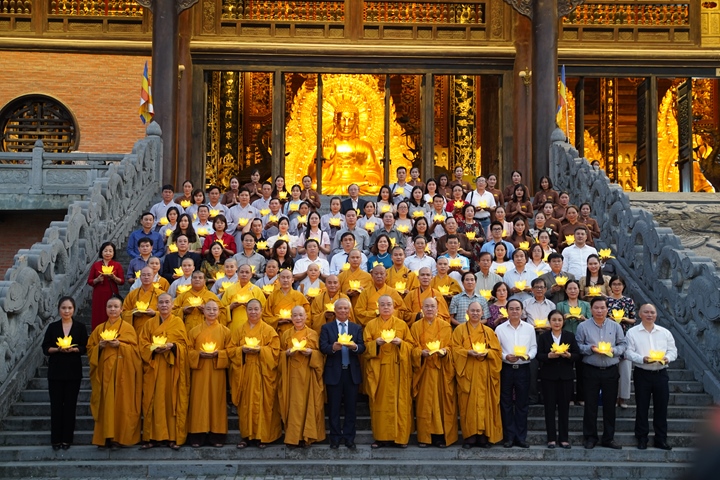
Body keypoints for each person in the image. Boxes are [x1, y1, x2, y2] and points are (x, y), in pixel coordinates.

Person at [86, 295, 142, 449]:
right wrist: (100, 347)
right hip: (104, 374)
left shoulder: (128, 328)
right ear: (105, 309)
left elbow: (136, 350)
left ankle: (119, 437)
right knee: (106, 404)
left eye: (116, 307)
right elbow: (90, 349)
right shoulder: (99, 329)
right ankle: (104, 437)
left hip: (122, 372)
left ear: (122, 309)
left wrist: (120, 345)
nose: (112, 309)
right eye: (110, 306)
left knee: (121, 405)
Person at [138, 293, 190, 450]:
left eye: (167, 302)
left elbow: (184, 346)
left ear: (173, 304)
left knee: (171, 402)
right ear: (157, 305)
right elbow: (142, 344)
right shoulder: (149, 323)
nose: (164, 305)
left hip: (171, 369)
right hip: (154, 368)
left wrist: (172, 347)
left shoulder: (178, 322)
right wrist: (153, 350)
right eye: (161, 302)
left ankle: (172, 437)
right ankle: (152, 437)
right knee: (153, 402)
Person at [364, 295, 415, 448]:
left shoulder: (402, 324)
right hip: (378, 371)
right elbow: (365, 347)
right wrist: (375, 344)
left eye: (389, 304)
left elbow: (411, 346)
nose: (386, 307)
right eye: (383, 305)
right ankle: (380, 438)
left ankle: (400, 438)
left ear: (394, 307)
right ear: (377, 307)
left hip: (398, 369)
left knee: (400, 404)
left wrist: (401, 344)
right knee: (379, 404)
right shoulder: (371, 325)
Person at [229, 298, 282, 449]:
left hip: (262, 372)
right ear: (246, 311)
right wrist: (241, 350)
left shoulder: (268, 330)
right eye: (250, 309)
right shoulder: (239, 330)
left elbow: (275, 351)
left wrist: (261, 350)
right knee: (246, 406)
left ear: (261, 311)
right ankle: (246, 436)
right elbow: (231, 350)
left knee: (264, 405)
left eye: (256, 309)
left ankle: (263, 437)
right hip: (245, 373)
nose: (253, 312)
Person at [575, 297, 627, 449]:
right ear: (591, 309)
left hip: (610, 370)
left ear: (607, 309)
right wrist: (590, 348)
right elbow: (578, 345)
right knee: (590, 405)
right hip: (591, 369)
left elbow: (623, 344)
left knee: (610, 405)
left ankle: (608, 438)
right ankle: (590, 437)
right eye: (596, 308)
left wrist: (614, 350)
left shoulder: (615, 326)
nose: (599, 311)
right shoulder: (583, 326)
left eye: (602, 308)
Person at [625, 303, 678, 451]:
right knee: (642, 406)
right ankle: (642, 438)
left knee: (661, 407)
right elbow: (628, 352)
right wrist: (642, 359)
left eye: (652, 312)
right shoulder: (632, 332)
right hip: (642, 373)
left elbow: (673, 351)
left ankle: (661, 439)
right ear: (640, 314)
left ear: (656, 315)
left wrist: (668, 358)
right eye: (646, 312)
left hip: (661, 373)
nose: (649, 315)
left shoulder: (665, 332)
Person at [452, 300, 503, 448]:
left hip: (485, 375)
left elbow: (497, 352)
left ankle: (484, 437)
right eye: (472, 310)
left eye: (478, 311)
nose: (475, 313)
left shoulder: (488, 332)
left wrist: (487, 352)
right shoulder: (459, 330)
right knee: (468, 405)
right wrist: (467, 352)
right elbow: (454, 350)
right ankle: (469, 437)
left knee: (485, 404)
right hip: (467, 374)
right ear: (467, 313)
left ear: (482, 313)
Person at [42, 296, 88, 450]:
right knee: (56, 406)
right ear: (59, 309)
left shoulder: (80, 327)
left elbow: (84, 347)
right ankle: (56, 439)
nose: (66, 311)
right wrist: (58, 349)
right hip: (55, 371)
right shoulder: (53, 327)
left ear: (73, 309)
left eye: (69, 308)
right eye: (63, 308)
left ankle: (67, 439)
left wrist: (75, 349)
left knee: (70, 406)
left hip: (73, 372)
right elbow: (46, 348)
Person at [410, 297, 457, 448]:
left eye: (432, 306)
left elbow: (451, 346)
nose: (430, 309)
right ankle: (424, 437)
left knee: (442, 404)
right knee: (425, 404)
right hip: (424, 371)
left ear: (438, 309)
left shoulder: (445, 326)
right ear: (422, 309)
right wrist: (419, 353)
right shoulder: (415, 326)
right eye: (427, 306)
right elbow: (411, 348)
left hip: (441, 371)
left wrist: (445, 351)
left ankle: (440, 437)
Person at [320, 298, 365, 449]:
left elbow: (362, 347)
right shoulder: (327, 328)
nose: (343, 311)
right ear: (335, 311)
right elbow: (323, 347)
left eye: (346, 308)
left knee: (351, 408)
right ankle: (335, 438)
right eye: (340, 308)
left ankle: (349, 438)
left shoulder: (356, 328)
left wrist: (355, 347)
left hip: (351, 372)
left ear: (349, 310)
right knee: (334, 407)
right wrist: (332, 348)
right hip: (334, 372)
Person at [309, 103, 383, 194]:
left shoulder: (365, 146)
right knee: (315, 187)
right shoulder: (327, 144)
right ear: (335, 121)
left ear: (357, 121)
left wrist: (373, 177)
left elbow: (373, 169)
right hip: (333, 185)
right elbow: (315, 178)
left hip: (359, 185)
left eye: (351, 120)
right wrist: (326, 160)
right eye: (342, 120)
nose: (346, 124)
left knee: (376, 189)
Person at [278, 306, 326, 448]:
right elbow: (279, 355)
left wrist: (312, 353)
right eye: (295, 315)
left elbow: (321, 356)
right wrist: (286, 354)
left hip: (309, 376)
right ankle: (293, 437)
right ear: (291, 318)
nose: (298, 318)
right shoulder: (286, 334)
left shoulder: (312, 334)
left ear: (306, 317)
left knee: (309, 404)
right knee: (293, 406)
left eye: (301, 315)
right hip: (291, 376)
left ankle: (307, 437)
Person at [186, 300, 231, 448]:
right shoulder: (194, 330)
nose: (212, 312)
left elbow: (230, 352)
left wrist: (220, 354)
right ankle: (197, 434)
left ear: (219, 312)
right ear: (203, 312)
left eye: (214, 309)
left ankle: (217, 435)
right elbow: (188, 352)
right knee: (199, 402)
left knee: (216, 401)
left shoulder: (225, 331)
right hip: (200, 371)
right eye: (209, 309)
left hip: (217, 371)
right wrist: (198, 354)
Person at [495, 299, 537, 448]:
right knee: (506, 404)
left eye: (517, 309)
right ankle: (509, 437)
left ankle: (521, 437)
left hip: (523, 368)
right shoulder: (499, 329)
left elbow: (533, 347)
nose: (514, 311)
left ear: (522, 311)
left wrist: (528, 356)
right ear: (507, 310)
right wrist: (505, 356)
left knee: (522, 404)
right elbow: (496, 350)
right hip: (506, 369)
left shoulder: (529, 328)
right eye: (511, 309)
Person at [536, 310, 581, 449]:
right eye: (554, 320)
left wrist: (568, 356)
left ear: (563, 322)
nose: (557, 322)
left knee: (564, 408)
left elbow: (577, 354)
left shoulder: (569, 336)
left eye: (559, 320)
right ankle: (551, 438)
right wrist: (548, 356)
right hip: (548, 376)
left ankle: (564, 438)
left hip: (566, 377)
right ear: (549, 321)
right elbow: (538, 355)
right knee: (549, 408)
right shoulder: (543, 337)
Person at [607, 275, 636, 409]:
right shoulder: (606, 301)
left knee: (625, 368)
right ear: (610, 286)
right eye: (614, 284)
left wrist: (623, 319)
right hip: (609, 336)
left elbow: (633, 319)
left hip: (625, 334)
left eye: (619, 284)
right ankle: (611, 396)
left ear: (623, 286)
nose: (617, 287)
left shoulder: (629, 301)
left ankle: (623, 397)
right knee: (611, 369)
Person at [87, 241, 125, 330]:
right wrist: (97, 280)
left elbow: (122, 281)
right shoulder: (96, 265)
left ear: (113, 253)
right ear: (101, 252)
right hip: (99, 294)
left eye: (110, 251)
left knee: (112, 312)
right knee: (99, 314)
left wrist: (114, 277)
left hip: (111, 293)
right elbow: (89, 281)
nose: (108, 253)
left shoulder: (117, 265)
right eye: (106, 251)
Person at [262, 268, 310, 335]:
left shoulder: (300, 296)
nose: (285, 280)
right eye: (283, 277)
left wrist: (295, 319)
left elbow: (307, 316)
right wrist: (277, 321)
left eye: (288, 278)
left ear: (292, 280)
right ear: (279, 280)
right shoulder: (272, 296)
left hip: (295, 332)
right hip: (277, 331)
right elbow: (266, 315)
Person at [222, 264, 267, 333]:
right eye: (242, 272)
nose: (244, 274)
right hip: (234, 325)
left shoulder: (256, 290)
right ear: (237, 274)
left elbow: (264, 309)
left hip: (252, 326)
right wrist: (230, 307)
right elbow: (221, 309)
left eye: (247, 272)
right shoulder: (230, 289)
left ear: (251, 275)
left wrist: (252, 307)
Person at [121, 266, 163, 334]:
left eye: (149, 275)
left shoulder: (160, 294)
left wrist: (155, 313)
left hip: (154, 330)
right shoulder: (132, 294)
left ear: (153, 277)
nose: (146, 277)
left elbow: (169, 312)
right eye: (143, 275)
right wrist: (133, 313)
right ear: (140, 277)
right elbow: (123, 312)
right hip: (136, 329)